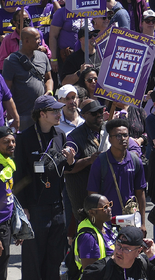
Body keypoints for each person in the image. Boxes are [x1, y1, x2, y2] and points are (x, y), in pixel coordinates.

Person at [13, 95, 75, 280]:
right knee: (33, 258)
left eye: (59, 110)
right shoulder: (25, 138)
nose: (58, 114)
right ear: (42, 114)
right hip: (34, 206)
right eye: (54, 111)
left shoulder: (60, 135)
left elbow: (64, 166)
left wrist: (71, 161)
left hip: (57, 205)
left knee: (54, 257)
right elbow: (19, 175)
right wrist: (23, 207)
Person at [86, 119, 147, 236]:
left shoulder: (135, 161)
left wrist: (143, 223)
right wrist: (97, 224)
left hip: (130, 221)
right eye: (118, 136)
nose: (123, 139)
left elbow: (140, 193)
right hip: (107, 223)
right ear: (110, 139)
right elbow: (92, 195)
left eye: (126, 135)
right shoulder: (100, 162)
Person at [81, 227, 155, 280]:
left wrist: (153, 257)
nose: (119, 251)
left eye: (126, 249)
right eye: (118, 245)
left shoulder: (144, 265)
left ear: (138, 251)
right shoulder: (99, 269)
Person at [3, 27, 53, 131]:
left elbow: (49, 79)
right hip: (22, 114)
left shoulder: (43, 57)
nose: (40, 41)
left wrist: (49, 91)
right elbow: (6, 90)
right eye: (37, 39)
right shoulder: (11, 61)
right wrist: (11, 114)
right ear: (26, 41)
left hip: (42, 113)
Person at [64, 100, 106, 221]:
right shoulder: (74, 137)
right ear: (83, 115)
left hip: (106, 189)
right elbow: (67, 169)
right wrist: (89, 160)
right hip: (84, 191)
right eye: (94, 113)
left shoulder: (109, 130)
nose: (98, 115)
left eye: (100, 111)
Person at [74, 194, 115, 272]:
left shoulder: (104, 226)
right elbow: (90, 273)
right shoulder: (88, 238)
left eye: (109, 204)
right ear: (92, 212)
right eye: (105, 208)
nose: (109, 209)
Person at [0, 126, 15, 279]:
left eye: (13, 141)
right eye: (6, 142)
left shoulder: (7, 163)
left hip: (7, 225)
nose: (11, 144)